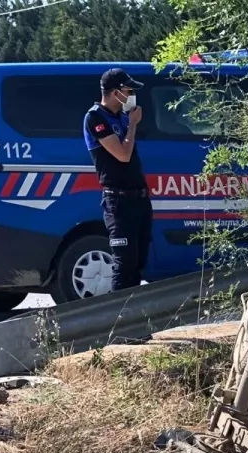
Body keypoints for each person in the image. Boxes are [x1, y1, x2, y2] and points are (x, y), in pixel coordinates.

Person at [83, 67, 151, 292]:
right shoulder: (95, 118)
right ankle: (119, 322)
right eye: (128, 90)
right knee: (125, 264)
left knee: (139, 263)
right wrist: (132, 125)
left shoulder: (121, 116)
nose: (131, 95)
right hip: (118, 202)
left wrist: (129, 122)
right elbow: (122, 154)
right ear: (115, 92)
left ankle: (136, 324)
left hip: (139, 198)